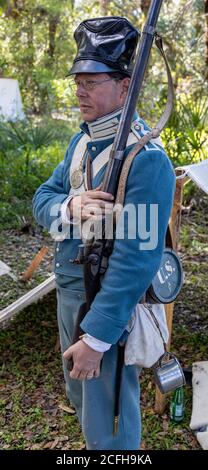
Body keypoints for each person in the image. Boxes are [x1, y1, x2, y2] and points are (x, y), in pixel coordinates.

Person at [33, 16, 175, 450]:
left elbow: (137, 259)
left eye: (92, 81)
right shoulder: (82, 143)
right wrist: (70, 207)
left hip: (106, 304)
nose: (80, 90)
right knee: (83, 400)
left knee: (109, 424)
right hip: (69, 290)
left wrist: (96, 336)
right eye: (78, 79)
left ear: (125, 86)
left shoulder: (145, 159)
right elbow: (43, 199)